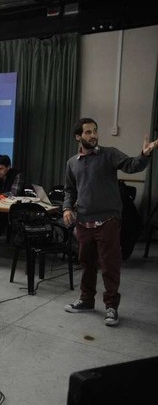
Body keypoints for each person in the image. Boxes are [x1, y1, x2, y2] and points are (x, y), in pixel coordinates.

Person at [63, 118, 157, 326]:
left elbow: (132, 165)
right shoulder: (72, 163)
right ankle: (86, 301)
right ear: (78, 136)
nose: (93, 135)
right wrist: (67, 208)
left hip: (108, 221)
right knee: (87, 264)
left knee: (109, 266)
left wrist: (144, 155)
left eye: (95, 131)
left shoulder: (109, 154)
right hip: (84, 222)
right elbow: (69, 190)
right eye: (88, 132)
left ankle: (111, 307)